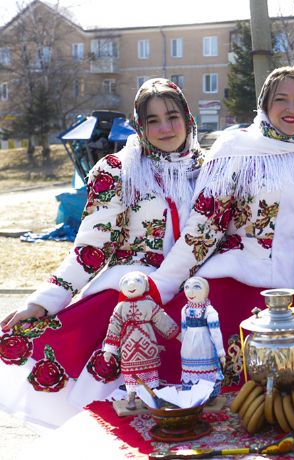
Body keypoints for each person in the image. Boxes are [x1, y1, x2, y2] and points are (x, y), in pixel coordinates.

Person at [0, 78, 202, 427]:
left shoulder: (209, 170)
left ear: (187, 117)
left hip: (189, 293)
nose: (165, 128)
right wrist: (44, 300)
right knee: (123, 416)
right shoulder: (120, 170)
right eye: (152, 120)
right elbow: (91, 248)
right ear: (140, 127)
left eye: (172, 116)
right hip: (129, 293)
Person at [149, 66, 294, 350]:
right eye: (281, 99)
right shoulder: (237, 149)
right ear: (265, 103)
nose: (291, 108)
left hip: (292, 296)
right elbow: (205, 224)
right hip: (235, 286)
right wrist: (161, 285)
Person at [103, 271, 180, 410]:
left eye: (137, 281)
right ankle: (131, 399)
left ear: (145, 286)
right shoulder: (120, 307)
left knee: (149, 372)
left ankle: (148, 398)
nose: (131, 285)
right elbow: (113, 326)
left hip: (147, 346)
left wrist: (176, 334)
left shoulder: (149, 304)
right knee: (131, 375)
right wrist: (110, 349)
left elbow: (161, 319)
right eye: (126, 282)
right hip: (128, 347)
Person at [179, 276, 226, 398]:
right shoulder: (185, 310)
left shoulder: (209, 311)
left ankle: (207, 395)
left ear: (205, 290)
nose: (190, 292)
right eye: (187, 287)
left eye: (196, 287)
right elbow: (183, 329)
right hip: (188, 348)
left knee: (206, 369)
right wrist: (183, 347)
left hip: (204, 345)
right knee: (190, 371)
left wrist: (221, 352)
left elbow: (216, 332)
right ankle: (191, 394)